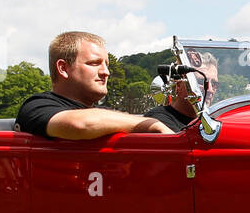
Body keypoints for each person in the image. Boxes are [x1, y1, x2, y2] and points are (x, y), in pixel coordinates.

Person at [17, 31, 172, 139]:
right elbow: (80, 124)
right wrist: (152, 124)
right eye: (94, 63)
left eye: (107, 65)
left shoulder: (104, 113)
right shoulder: (36, 107)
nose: (106, 72)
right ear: (63, 68)